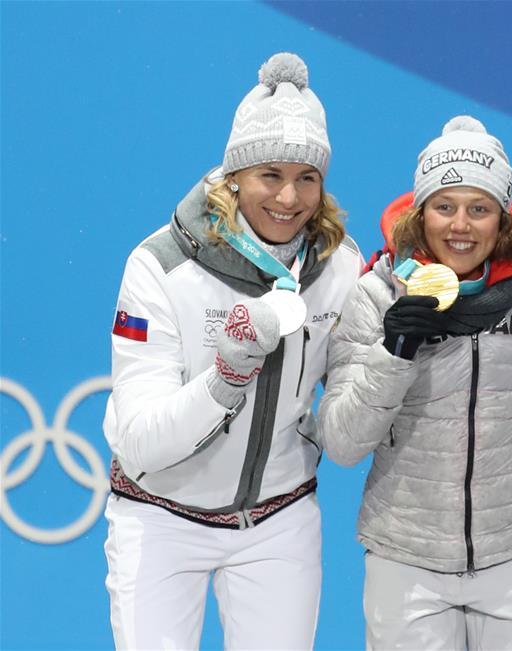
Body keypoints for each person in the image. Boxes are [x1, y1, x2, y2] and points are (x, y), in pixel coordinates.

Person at [102, 52, 362, 650]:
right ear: (234, 176)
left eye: (307, 178)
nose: (289, 198)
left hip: (279, 520)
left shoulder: (341, 267)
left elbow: (347, 417)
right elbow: (140, 439)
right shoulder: (160, 266)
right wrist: (226, 376)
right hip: (160, 514)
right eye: (270, 174)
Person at [319, 116, 512, 650]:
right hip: (406, 558)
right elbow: (341, 443)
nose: (461, 225)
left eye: (479, 209)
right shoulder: (378, 294)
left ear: (503, 219)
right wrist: (396, 351)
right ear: (421, 212)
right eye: (445, 206)